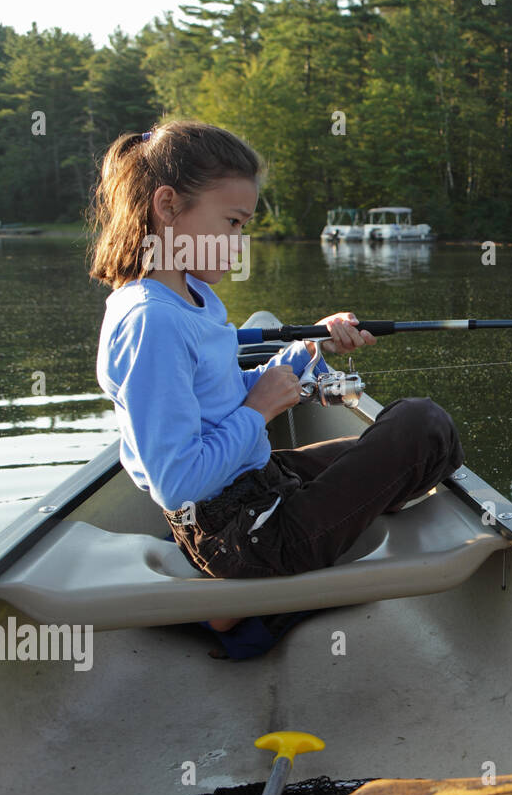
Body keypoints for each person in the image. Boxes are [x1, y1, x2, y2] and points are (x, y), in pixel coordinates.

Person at [90, 120, 465, 657]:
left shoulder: (189, 296)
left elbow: (223, 393)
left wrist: (313, 347)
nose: (239, 242)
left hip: (258, 484)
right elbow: (177, 483)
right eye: (232, 222)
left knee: (407, 440)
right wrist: (258, 410)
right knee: (422, 427)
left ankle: (260, 582)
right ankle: (241, 602)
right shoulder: (153, 321)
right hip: (235, 533)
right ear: (168, 207)